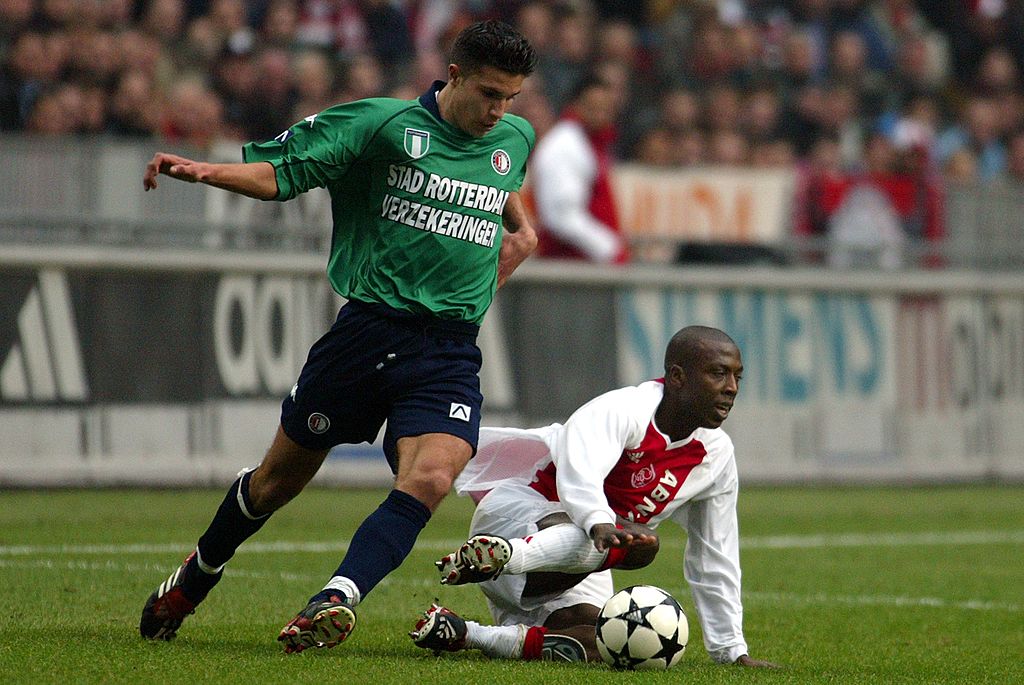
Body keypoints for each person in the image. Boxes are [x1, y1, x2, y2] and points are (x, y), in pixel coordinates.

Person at [137, 19, 538, 653]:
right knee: (275, 483)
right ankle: (197, 573)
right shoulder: (380, 126)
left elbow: (512, 215)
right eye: (490, 92)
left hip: (448, 350)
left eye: (511, 97)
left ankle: (337, 596)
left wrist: (507, 258)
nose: (499, 110)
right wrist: (205, 172)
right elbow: (281, 173)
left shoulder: (513, 137)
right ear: (453, 75)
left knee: (432, 479)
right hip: (366, 335)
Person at [409, 326, 778, 668]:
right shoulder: (622, 410)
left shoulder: (716, 456)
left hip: (578, 562)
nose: (731, 387)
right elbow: (578, 473)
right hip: (519, 519)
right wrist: (596, 520)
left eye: (736, 377)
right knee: (640, 544)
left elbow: (716, 553)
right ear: (678, 377)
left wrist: (731, 650)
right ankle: (497, 555)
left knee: (615, 644)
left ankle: (467, 634)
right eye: (718, 373)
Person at [530, 72, 628, 263]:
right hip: (570, 267)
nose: (602, 114)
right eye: (594, 107)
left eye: (607, 109)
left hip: (585, 263)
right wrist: (610, 249)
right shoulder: (564, 146)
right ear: (576, 105)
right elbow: (561, 216)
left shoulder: (589, 143)